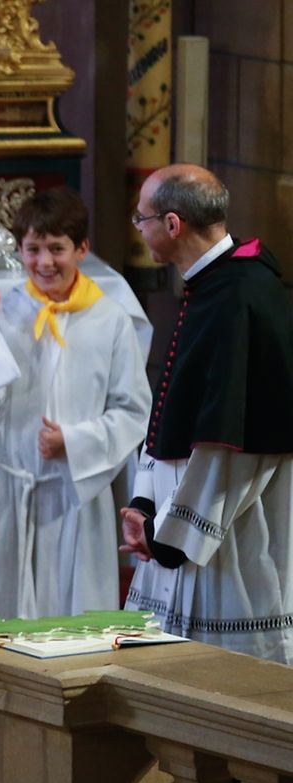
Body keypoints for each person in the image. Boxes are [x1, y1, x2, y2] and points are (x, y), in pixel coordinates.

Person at [0, 188, 151, 621]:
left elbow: (133, 410)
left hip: (77, 491)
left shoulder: (110, 319)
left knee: (75, 613)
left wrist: (74, 441)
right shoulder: (4, 312)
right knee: (11, 618)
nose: (44, 262)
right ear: (20, 250)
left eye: (57, 249)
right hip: (13, 489)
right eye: (33, 249)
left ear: (81, 249)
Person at [121, 163, 293, 662]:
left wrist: (172, 535)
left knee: (221, 684)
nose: (139, 228)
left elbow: (235, 445)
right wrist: (145, 502)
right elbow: (170, 408)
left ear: (172, 224)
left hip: (227, 536)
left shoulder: (239, 297)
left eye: (141, 218)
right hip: (180, 519)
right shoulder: (211, 286)